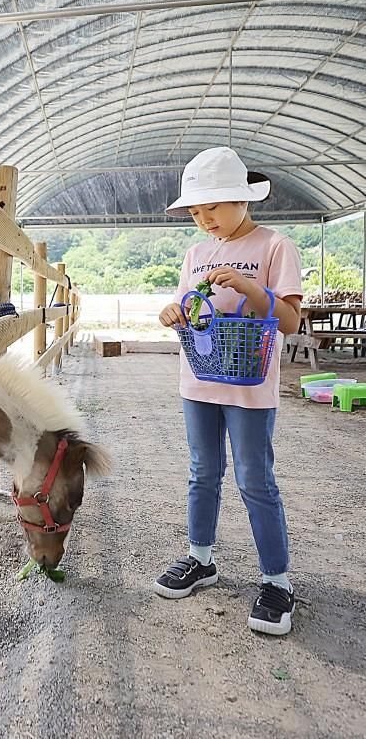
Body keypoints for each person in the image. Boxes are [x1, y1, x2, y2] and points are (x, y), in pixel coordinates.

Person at [155, 146, 303, 636]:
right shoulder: (195, 255)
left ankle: (277, 582)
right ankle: (201, 559)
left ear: (242, 199)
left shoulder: (274, 246)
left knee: (254, 478)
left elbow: (287, 319)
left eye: (212, 207)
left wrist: (248, 287)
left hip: (249, 384)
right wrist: (171, 313)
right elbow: (188, 310)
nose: (204, 219)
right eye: (196, 212)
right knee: (202, 471)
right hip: (198, 378)